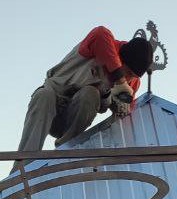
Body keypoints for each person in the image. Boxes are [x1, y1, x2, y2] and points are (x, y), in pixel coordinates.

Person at [16, 26, 154, 154]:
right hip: (50, 107)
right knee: (44, 95)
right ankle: (24, 167)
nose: (129, 78)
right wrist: (119, 78)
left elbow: (123, 115)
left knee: (91, 93)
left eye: (133, 76)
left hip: (72, 120)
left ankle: (63, 154)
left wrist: (120, 107)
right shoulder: (102, 43)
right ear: (121, 59)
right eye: (128, 72)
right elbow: (101, 33)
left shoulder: (132, 83)